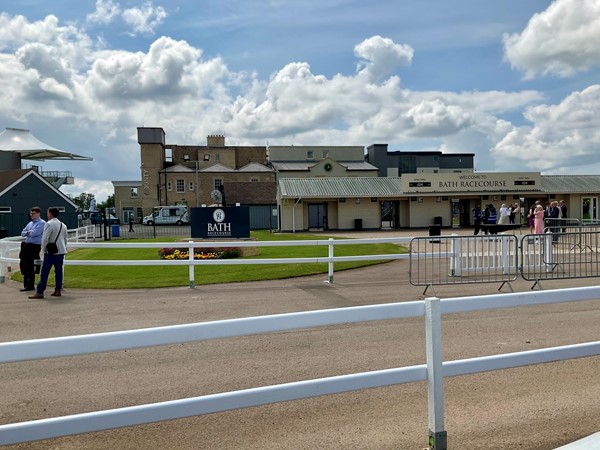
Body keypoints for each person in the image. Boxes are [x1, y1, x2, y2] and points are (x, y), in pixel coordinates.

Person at [29, 207, 68, 299]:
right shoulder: (63, 225)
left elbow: (45, 238)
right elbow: (65, 239)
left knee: (45, 272)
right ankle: (57, 290)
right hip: (61, 251)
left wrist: (44, 250)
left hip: (51, 252)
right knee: (58, 272)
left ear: (50, 213)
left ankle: (40, 291)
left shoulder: (49, 224)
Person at [19, 206, 46, 292]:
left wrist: (29, 232)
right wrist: (28, 232)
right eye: (31, 213)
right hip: (26, 245)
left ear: (38, 213)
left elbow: (35, 233)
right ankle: (26, 284)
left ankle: (30, 285)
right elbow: (22, 233)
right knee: (23, 263)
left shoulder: (42, 223)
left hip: (34, 246)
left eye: (33, 213)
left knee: (30, 265)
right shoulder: (30, 223)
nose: (32, 215)